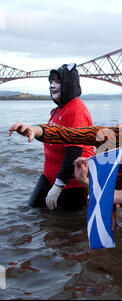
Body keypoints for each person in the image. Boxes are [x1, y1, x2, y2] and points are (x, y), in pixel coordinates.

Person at [9, 103, 122, 227]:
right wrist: (35, 130)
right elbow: (67, 134)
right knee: (102, 236)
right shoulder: (109, 136)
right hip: (101, 184)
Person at [15, 63, 94, 211]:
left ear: (69, 85)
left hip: (72, 181)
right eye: (51, 81)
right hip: (49, 175)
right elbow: (51, 135)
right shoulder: (58, 109)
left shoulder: (76, 109)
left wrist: (59, 185)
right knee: (32, 211)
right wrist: (31, 130)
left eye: (57, 81)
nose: (52, 85)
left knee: (67, 227)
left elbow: (74, 151)